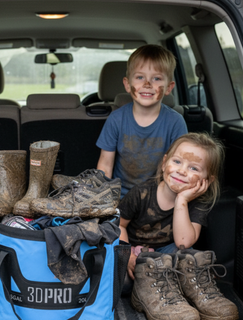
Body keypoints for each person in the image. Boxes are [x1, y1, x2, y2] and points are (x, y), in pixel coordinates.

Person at [118, 132, 224, 280]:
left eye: (194, 168)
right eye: (177, 162)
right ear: (164, 163)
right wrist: (127, 255)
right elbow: (119, 225)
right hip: (133, 251)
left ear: (207, 180)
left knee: (187, 254)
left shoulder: (199, 203)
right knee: (122, 282)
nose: (181, 171)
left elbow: (183, 242)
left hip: (166, 253)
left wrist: (182, 200)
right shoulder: (141, 193)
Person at [96, 44, 188, 198]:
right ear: (127, 84)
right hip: (121, 196)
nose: (147, 84)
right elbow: (105, 165)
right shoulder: (116, 119)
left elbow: (180, 169)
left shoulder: (175, 122)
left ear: (168, 88)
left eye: (156, 78)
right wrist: (102, 198)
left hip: (160, 196)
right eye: (140, 77)